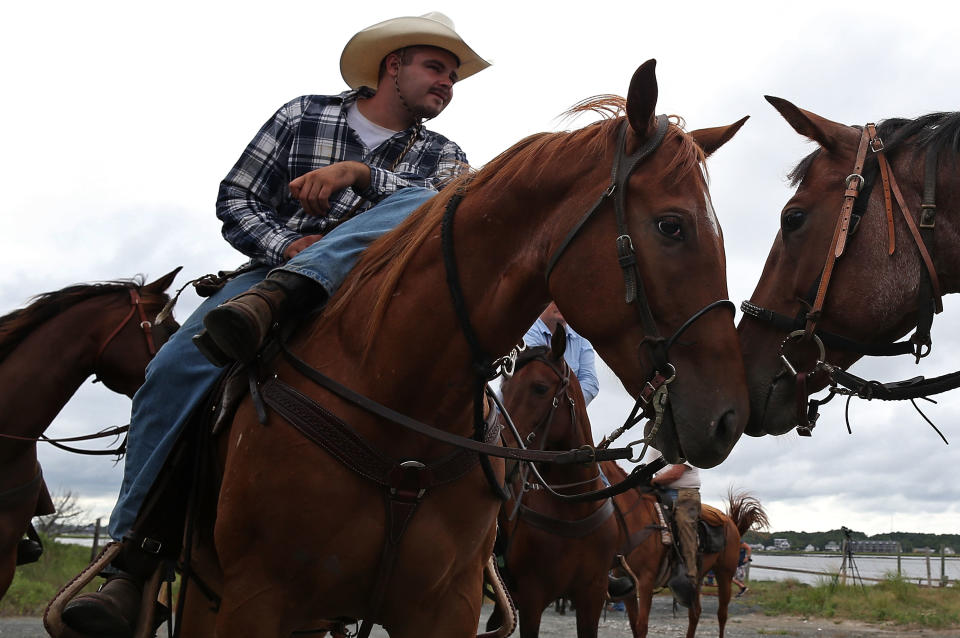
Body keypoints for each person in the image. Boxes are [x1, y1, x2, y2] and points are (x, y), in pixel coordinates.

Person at [62, 12, 489, 637]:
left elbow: (444, 224)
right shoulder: (301, 115)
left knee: (451, 224)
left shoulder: (444, 156)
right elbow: (236, 199)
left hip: (382, 300)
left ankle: (477, 554)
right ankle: (133, 559)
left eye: (453, 76)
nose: (446, 84)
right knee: (171, 371)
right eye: (436, 68)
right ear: (392, 65)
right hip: (264, 280)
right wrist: (292, 252)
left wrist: (360, 175)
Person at [649, 450, 701, 606]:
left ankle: (690, 577)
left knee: (685, 526)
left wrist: (650, 482)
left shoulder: (685, 443)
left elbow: (676, 473)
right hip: (659, 491)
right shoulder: (655, 447)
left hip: (685, 493)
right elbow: (649, 468)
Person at [523, 302, 600, 405]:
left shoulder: (580, 335)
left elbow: (590, 382)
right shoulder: (527, 330)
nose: (562, 304)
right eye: (555, 299)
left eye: (565, 299)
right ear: (543, 300)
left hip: (558, 416)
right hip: (517, 414)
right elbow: (536, 382)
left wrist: (563, 407)